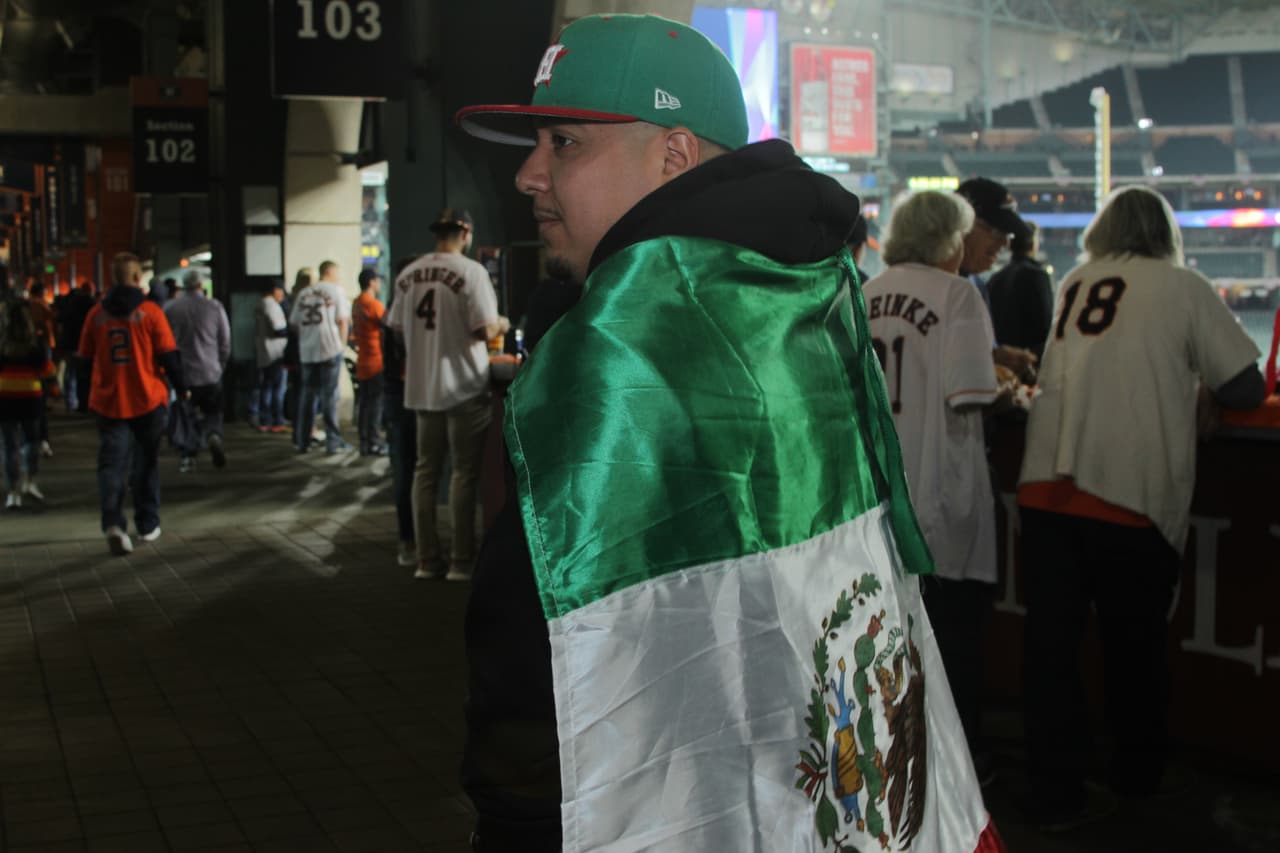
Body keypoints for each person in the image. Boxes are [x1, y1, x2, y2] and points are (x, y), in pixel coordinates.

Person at [455, 14, 1001, 852]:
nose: (528, 173)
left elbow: (531, 662)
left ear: (673, 155)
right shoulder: (807, 291)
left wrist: (516, 810)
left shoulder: (616, 345)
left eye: (563, 142)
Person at [1017, 185, 1265, 833]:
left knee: (1051, 651)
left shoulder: (1076, 277)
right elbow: (1243, 380)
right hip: (1124, 488)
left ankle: (1055, 789)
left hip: (1047, 485)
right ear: (1165, 233)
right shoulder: (1181, 285)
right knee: (1134, 650)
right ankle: (1136, 782)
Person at [864, 190, 1011, 786]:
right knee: (953, 650)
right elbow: (972, 392)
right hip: (940, 501)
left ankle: (893, 770)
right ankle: (955, 778)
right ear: (951, 240)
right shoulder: (958, 294)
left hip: (874, 507)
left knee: (884, 650)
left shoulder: (865, 292)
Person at [387, 209, 507, 582]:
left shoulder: (409, 274)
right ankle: (460, 560)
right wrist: (502, 322)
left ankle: (426, 560)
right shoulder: (471, 271)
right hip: (465, 386)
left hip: (422, 388)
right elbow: (486, 329)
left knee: (425, 474)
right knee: (463, 474)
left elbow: (395, 328)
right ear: (465, 232)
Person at [76, 252, 184, 554]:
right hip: (148, 399)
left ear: (114, 278)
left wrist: (84, 399)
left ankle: (113, 522)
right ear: (138, 278)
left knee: (111, 465)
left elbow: (83, 361)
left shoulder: (96, 315)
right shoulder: (150, 312)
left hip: (108, 401)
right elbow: (168, 356)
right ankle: (147, 523)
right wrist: (183, 388)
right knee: (145, 462)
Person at [956, 177, 1038, 383]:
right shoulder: (936, 286)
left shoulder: (978, 284)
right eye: (996, 230)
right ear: (963, 225)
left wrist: (999, 357)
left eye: (1007, 233)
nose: (1005, 242)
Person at [165, 270, 231, 472]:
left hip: (183, 374)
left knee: (186, 415)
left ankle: (188, 454)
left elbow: (165, 344)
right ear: (201, 285)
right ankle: (213, 435)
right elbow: (225, 342)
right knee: (213, 411)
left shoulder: (170, 308)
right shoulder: (214, 307)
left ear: (183, 286)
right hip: (210, 371)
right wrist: (220, 365)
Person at [289, 260, 351, 455]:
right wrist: (341, 345)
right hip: (329, 349)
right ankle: (333, 442)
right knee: (330, 397)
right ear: (330, 272)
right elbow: (343, 321)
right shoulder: (335, 291)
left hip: (308, 352)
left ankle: (302, 441)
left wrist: (307, 338)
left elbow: (294, 323)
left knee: (307, 397)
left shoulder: (303, 293)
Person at [383, 256, 420, 568]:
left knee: (410, 470)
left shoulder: (396, 310)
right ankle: (409, 539)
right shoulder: (399, 316)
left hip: (401, 397)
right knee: (411, 470)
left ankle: (412, 539)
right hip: (406, 397)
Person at [0, 298, 50, 508]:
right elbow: (47, 371)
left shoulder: (1, 344)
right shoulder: (35, 344)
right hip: (31, 398)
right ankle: (30, 482)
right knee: (32, 442)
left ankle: (13, 491)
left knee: (9, 446)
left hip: (4, 398)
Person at [988, 220, 1054, 361]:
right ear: (1033, 243)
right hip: (1028, 361)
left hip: (1001, 362)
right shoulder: (1038, 275)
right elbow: (1046, 328)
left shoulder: (995, 278)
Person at [351, 267, 387, 456]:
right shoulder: (373, 304)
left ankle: (365, 442)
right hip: (375, 361)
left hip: (363, 360)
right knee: (375, 405)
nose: (379, 284)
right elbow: (390, 326)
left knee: (365, 404)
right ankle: (374, 442)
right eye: (378, 281)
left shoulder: (357, 303)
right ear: (372, 282)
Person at [250, 280, 289, 433]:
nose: (283, 295)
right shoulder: (271, 304)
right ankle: (276, 421)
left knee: (266, 387)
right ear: (275, 290)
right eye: (281, 291)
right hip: (275, 352)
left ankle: (265, 420)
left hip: (263, 351)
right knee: (277, 388)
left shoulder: (260, 304)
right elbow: (279, 329)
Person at [53, 279, 96, 412]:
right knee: (85, 374)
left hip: (71, 343)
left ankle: (71, 402)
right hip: (85, 344)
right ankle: (86, 402)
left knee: (70, 373)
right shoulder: (92, 306)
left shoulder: (70, 305)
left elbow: (61, 322)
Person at [26, 281, 57, 457]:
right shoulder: (39, 305)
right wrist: (51, 384)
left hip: (8, 393)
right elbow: (50, 317)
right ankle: (42, 442)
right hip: (32, 390)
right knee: (38, 413)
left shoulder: (5, 346)